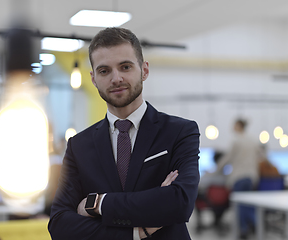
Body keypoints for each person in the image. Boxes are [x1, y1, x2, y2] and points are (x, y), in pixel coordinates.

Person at [48, 27, 200, 240]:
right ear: (93, 79)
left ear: (144, 70)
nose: (116, 78)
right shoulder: (78, 146)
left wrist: (98, 203)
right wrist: (135, 233)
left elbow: (180, 203)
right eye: (104, 71)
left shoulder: (179, 131)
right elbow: (59, 225)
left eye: (125, 67)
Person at [215, 119, 265, 239]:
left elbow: (227, 158)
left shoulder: (236, 141)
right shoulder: (253, 140)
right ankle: (255, 225)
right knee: (248, 203)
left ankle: (243, 230)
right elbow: (262, 156)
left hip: (239, 176)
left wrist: (216, 169)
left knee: (240, 205)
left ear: (238, 125)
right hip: (251, 176)